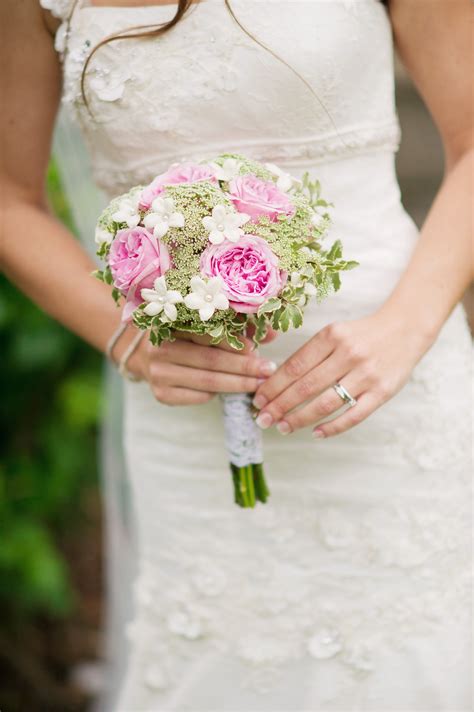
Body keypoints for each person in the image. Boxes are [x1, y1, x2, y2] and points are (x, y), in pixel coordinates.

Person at [2, 0, 472, 709]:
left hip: (392, 399)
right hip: (187, 420)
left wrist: (408, 328)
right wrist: (132, 339)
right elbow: (9, 197)